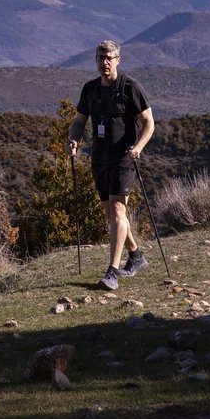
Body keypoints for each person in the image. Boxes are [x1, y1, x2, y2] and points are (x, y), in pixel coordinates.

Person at [68, 40, 155, 290]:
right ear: (95, 60)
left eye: (109, 57)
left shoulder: (130, 87)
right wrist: (73, 139)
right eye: (100, 58)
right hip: (100, 158)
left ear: (118, 59)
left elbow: (149, 122)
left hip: (124, 158)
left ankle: (112, 273)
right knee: (113, 215)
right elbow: (79, 120)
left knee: (117, 211)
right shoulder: (90, 89)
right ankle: (136, 256)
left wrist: (138, 147)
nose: (104, 62)